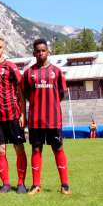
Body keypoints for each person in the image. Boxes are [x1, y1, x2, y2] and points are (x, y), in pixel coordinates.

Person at [22, 38, 71, 195]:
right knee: (36, 150)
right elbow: (25, 94)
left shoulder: (56, 71)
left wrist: (51, 104)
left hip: (53, 119)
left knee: (58, 149)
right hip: (35, 120)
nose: (41, 53)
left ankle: (65, 186)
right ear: (34, 53)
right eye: (38, 51)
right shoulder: (29, 73)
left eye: (43, 50)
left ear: (48, 51)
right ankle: (36, 185)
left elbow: (62, 93)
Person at [0, 35, 28, 194]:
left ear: (4, 48)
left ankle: (21, 183)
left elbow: (21, 92)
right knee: (1, 150)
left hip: (13, 115)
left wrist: (23, 113)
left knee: (19, 148)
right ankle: (6, 183)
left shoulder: (11, 67)